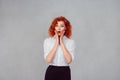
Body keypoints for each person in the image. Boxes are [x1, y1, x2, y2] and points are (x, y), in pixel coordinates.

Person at [43, 16, 75, 80]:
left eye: (62, 26)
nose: (59, 28)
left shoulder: (70, 42)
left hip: (65, 71)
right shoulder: (48, 41)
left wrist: (62, 42)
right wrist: (57, 42)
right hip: (51, 71)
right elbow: (48, 60)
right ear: (54, 27)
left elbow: (69, 61)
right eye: (57, 25)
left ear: (66, 28)